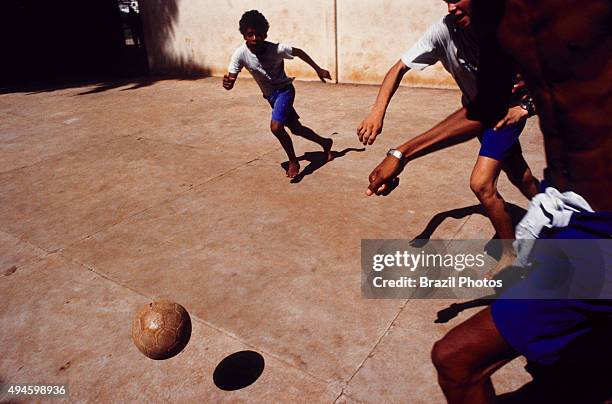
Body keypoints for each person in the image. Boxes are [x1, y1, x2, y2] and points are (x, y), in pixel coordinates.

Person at [430, 0, 612, 402]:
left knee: (456, 361)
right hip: (562, 214)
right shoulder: (497, 23)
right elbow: (484, 107)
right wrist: (400, 154)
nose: (452, 5)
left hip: (600, 234)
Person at [360, 0, 539, 276]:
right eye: (447, 0)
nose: (452, 7)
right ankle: (561, 223)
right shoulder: (444, 31)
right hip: (476, 112)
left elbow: (558, 74)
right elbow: (398, 68)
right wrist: (376, 112)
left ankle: (511, 255)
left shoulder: (510, 27)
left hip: (504, 115)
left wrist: (526, 107)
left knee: (482, 185)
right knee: (521, 176)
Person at [223, 10, 334, 179]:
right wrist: (228, 84)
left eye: (258, 34)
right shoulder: (240, 54)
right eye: (250, 34)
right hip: (270, 97)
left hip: (285, 91)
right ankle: (325, 143)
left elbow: (299, 52)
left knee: (276, 127)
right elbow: (230, 79)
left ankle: (293, 161)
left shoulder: (277, 49)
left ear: (265, 34)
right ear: (244, 35)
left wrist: (318, 69)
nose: (254, 38)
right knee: (296, 129)